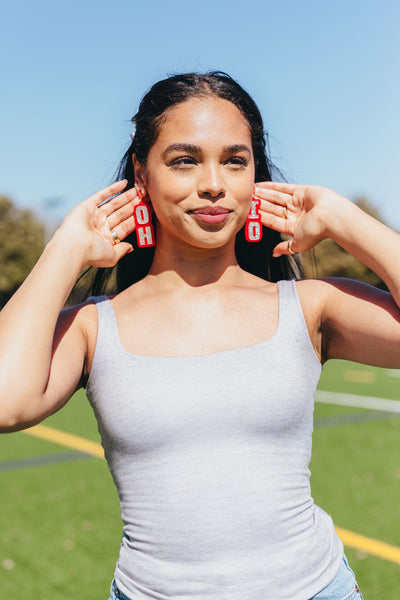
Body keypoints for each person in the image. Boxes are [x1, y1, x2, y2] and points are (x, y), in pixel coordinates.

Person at [1, 72, 399, 600]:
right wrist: (66, 248)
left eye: (235, 160)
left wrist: (345, 219)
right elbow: (7, 402)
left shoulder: (309, 307)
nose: (213, 182)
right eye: (185, 160)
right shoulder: (95, 326)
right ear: (142, 174)